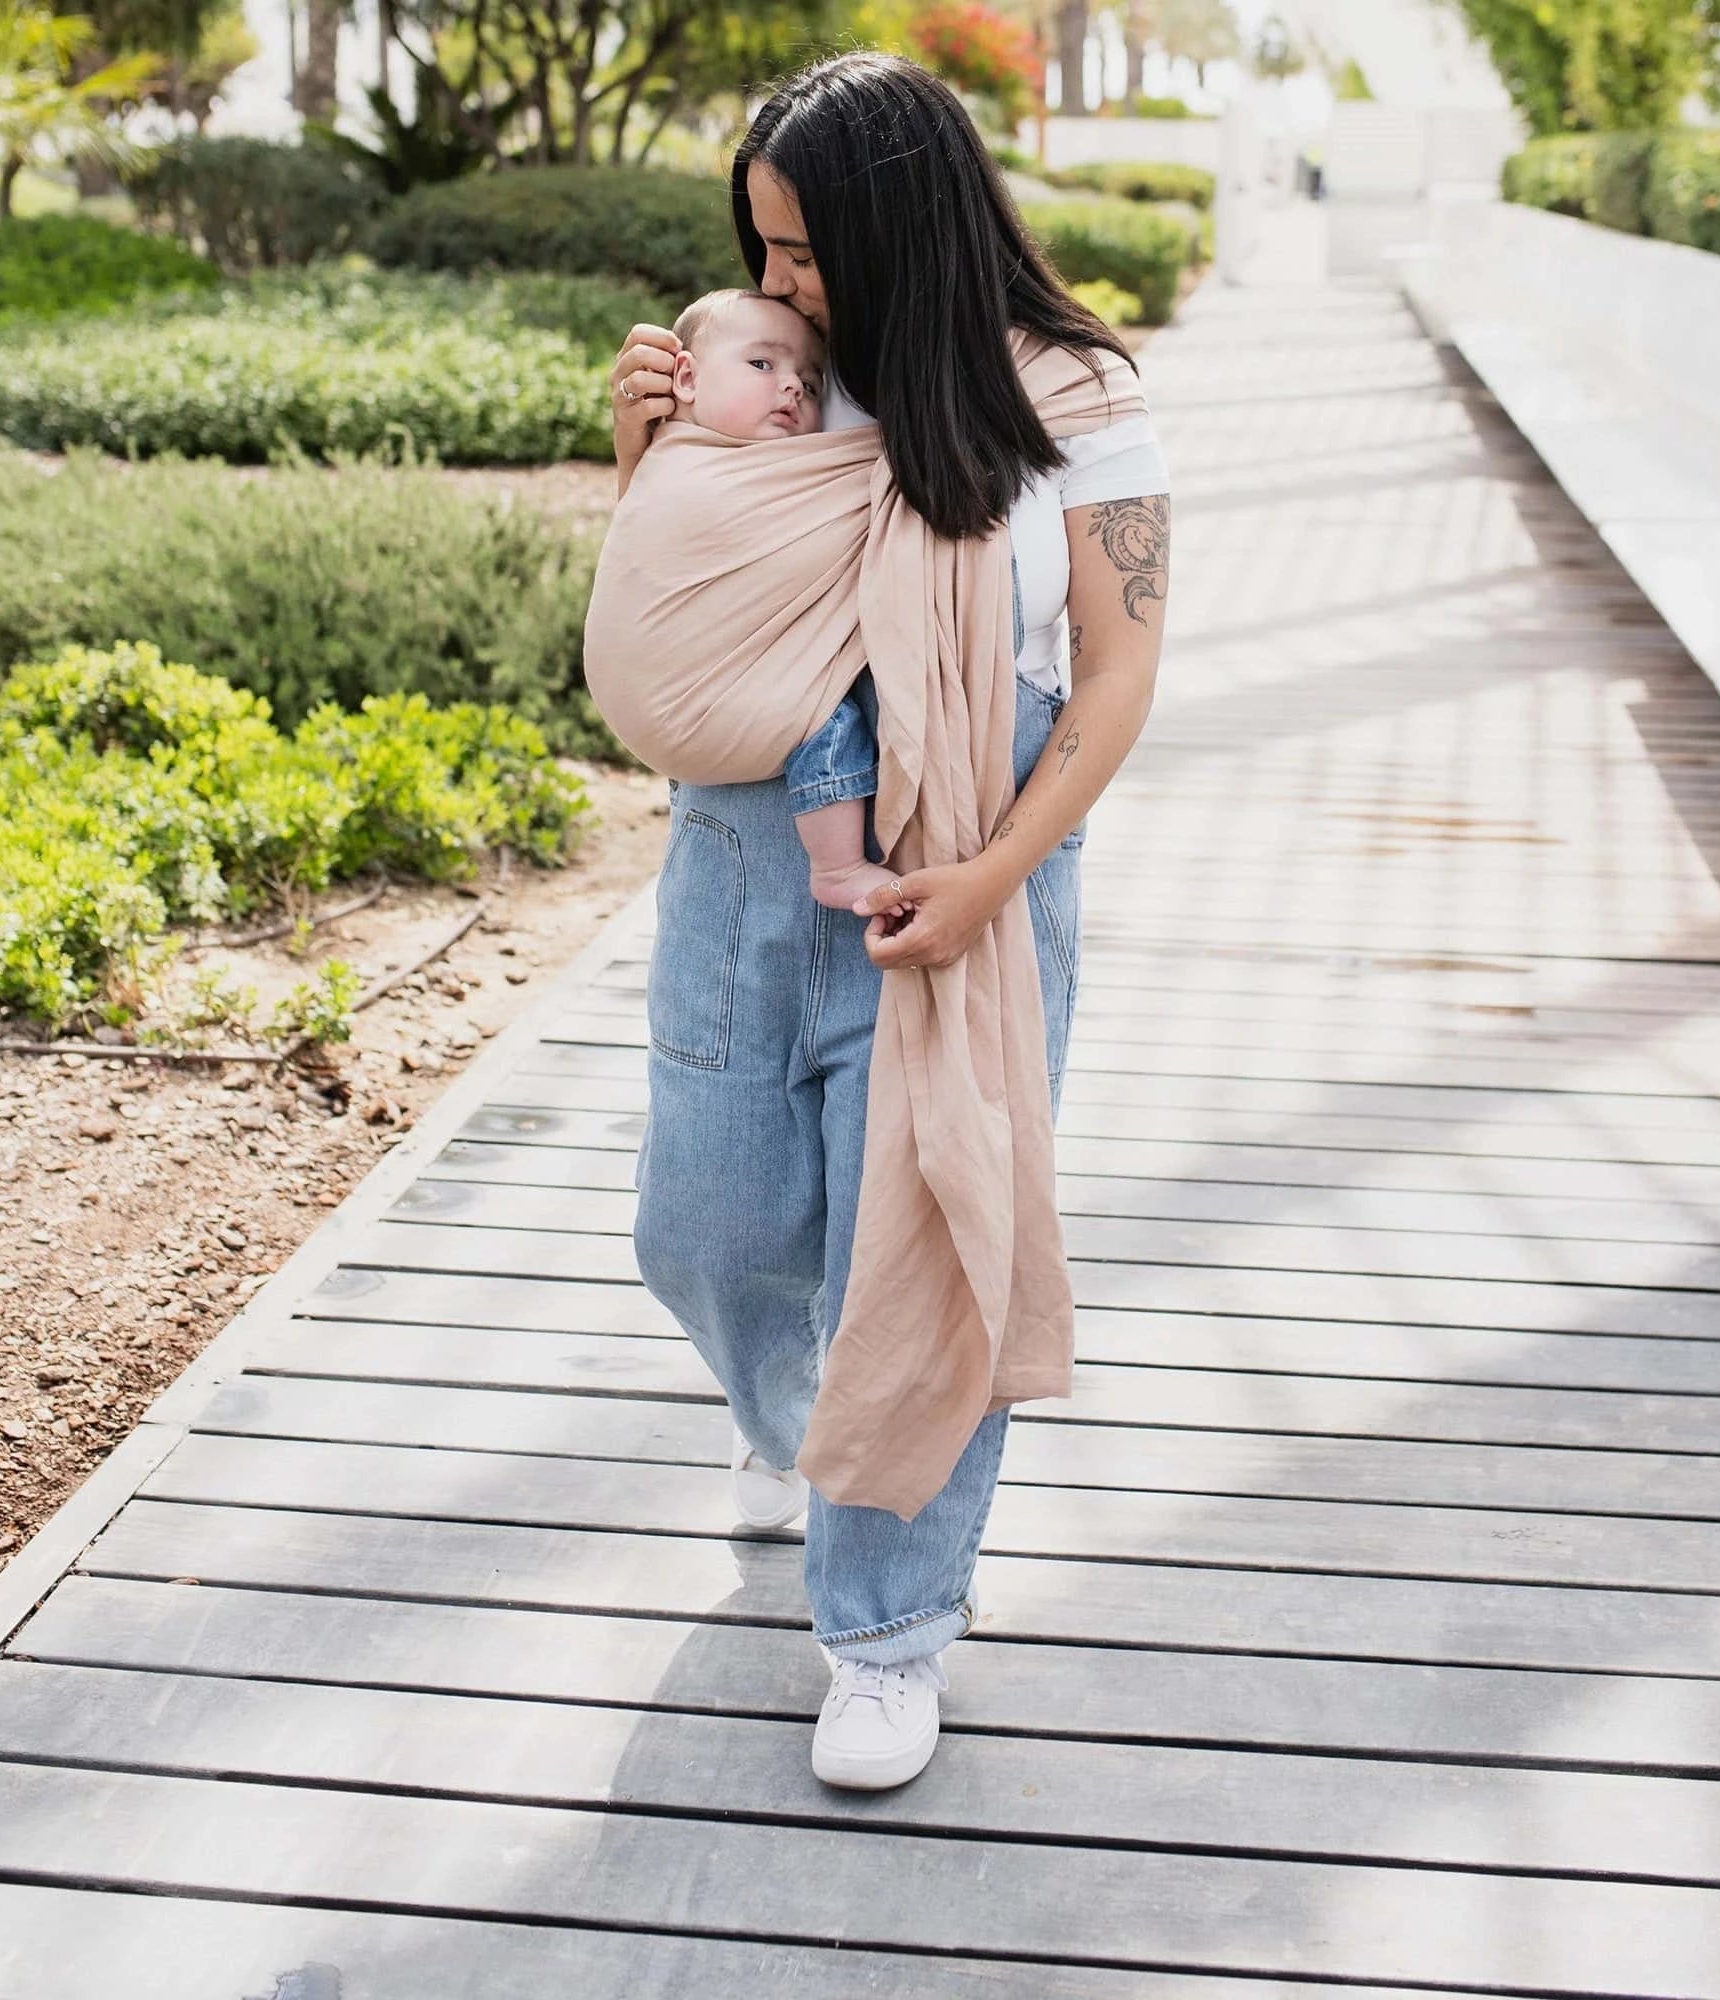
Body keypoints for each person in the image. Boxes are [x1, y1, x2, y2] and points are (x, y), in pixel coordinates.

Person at [608, 51, 1170, 1792]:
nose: (780, 284)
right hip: (741, 852)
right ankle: (785, 1418)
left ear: (897, 220)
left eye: (804, 247)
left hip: (970, 877)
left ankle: (884, 1636)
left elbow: (1124, 664)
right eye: (761, 247)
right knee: (703, 1223)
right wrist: (643, 448)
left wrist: (995, 874)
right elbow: (682, 593)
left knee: (919, 1251)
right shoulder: (762, 375)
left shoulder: (1065, 394)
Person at [658, 285, 893, 913]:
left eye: (811, 384)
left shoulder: (789, 466)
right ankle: (839, 865)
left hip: (735, 680)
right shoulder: (673, 456)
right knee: (829, 720)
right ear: (686, 377)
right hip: (702, 676)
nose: (791, 387)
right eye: (762, 365)